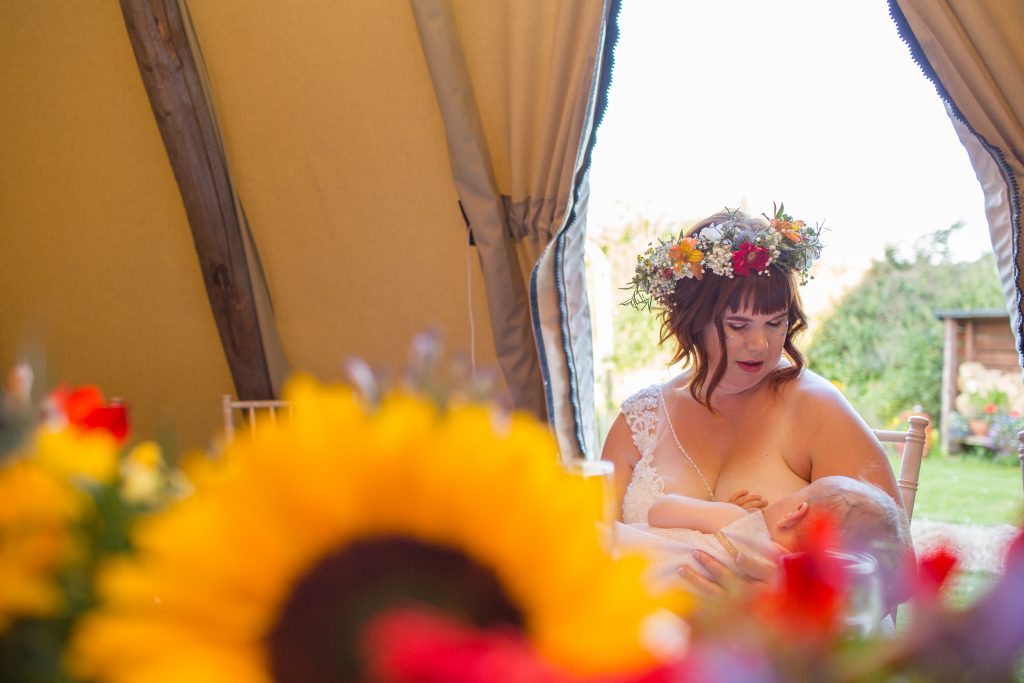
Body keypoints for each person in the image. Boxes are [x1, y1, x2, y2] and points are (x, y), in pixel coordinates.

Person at [601, 205, 911, 594]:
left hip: (776, 647)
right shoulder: (640, 419)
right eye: (737, 325)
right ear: (691, 320)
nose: (760, 344)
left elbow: (897, 569)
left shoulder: (816, 409)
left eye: (775, 322)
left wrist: (792, 593)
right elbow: (585, 546)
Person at [614, 475, 907, 602]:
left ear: (795, 513)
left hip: (613, 554)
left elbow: (659, 511)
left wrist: (720, 509)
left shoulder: (738, 521)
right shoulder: (791, 590)